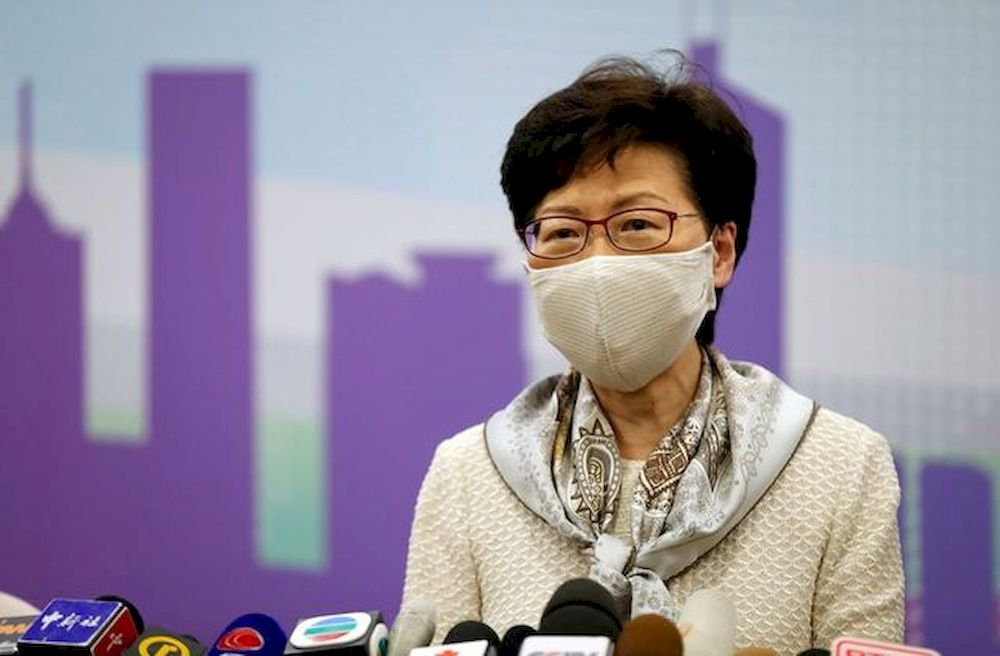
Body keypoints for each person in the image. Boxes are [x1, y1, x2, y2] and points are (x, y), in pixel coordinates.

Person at [401, 53, 904, 653]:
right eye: (563, 232)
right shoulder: (468, 475)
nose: (598, 263)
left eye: (637, 225)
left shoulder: (838, 466)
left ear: (719, 252)